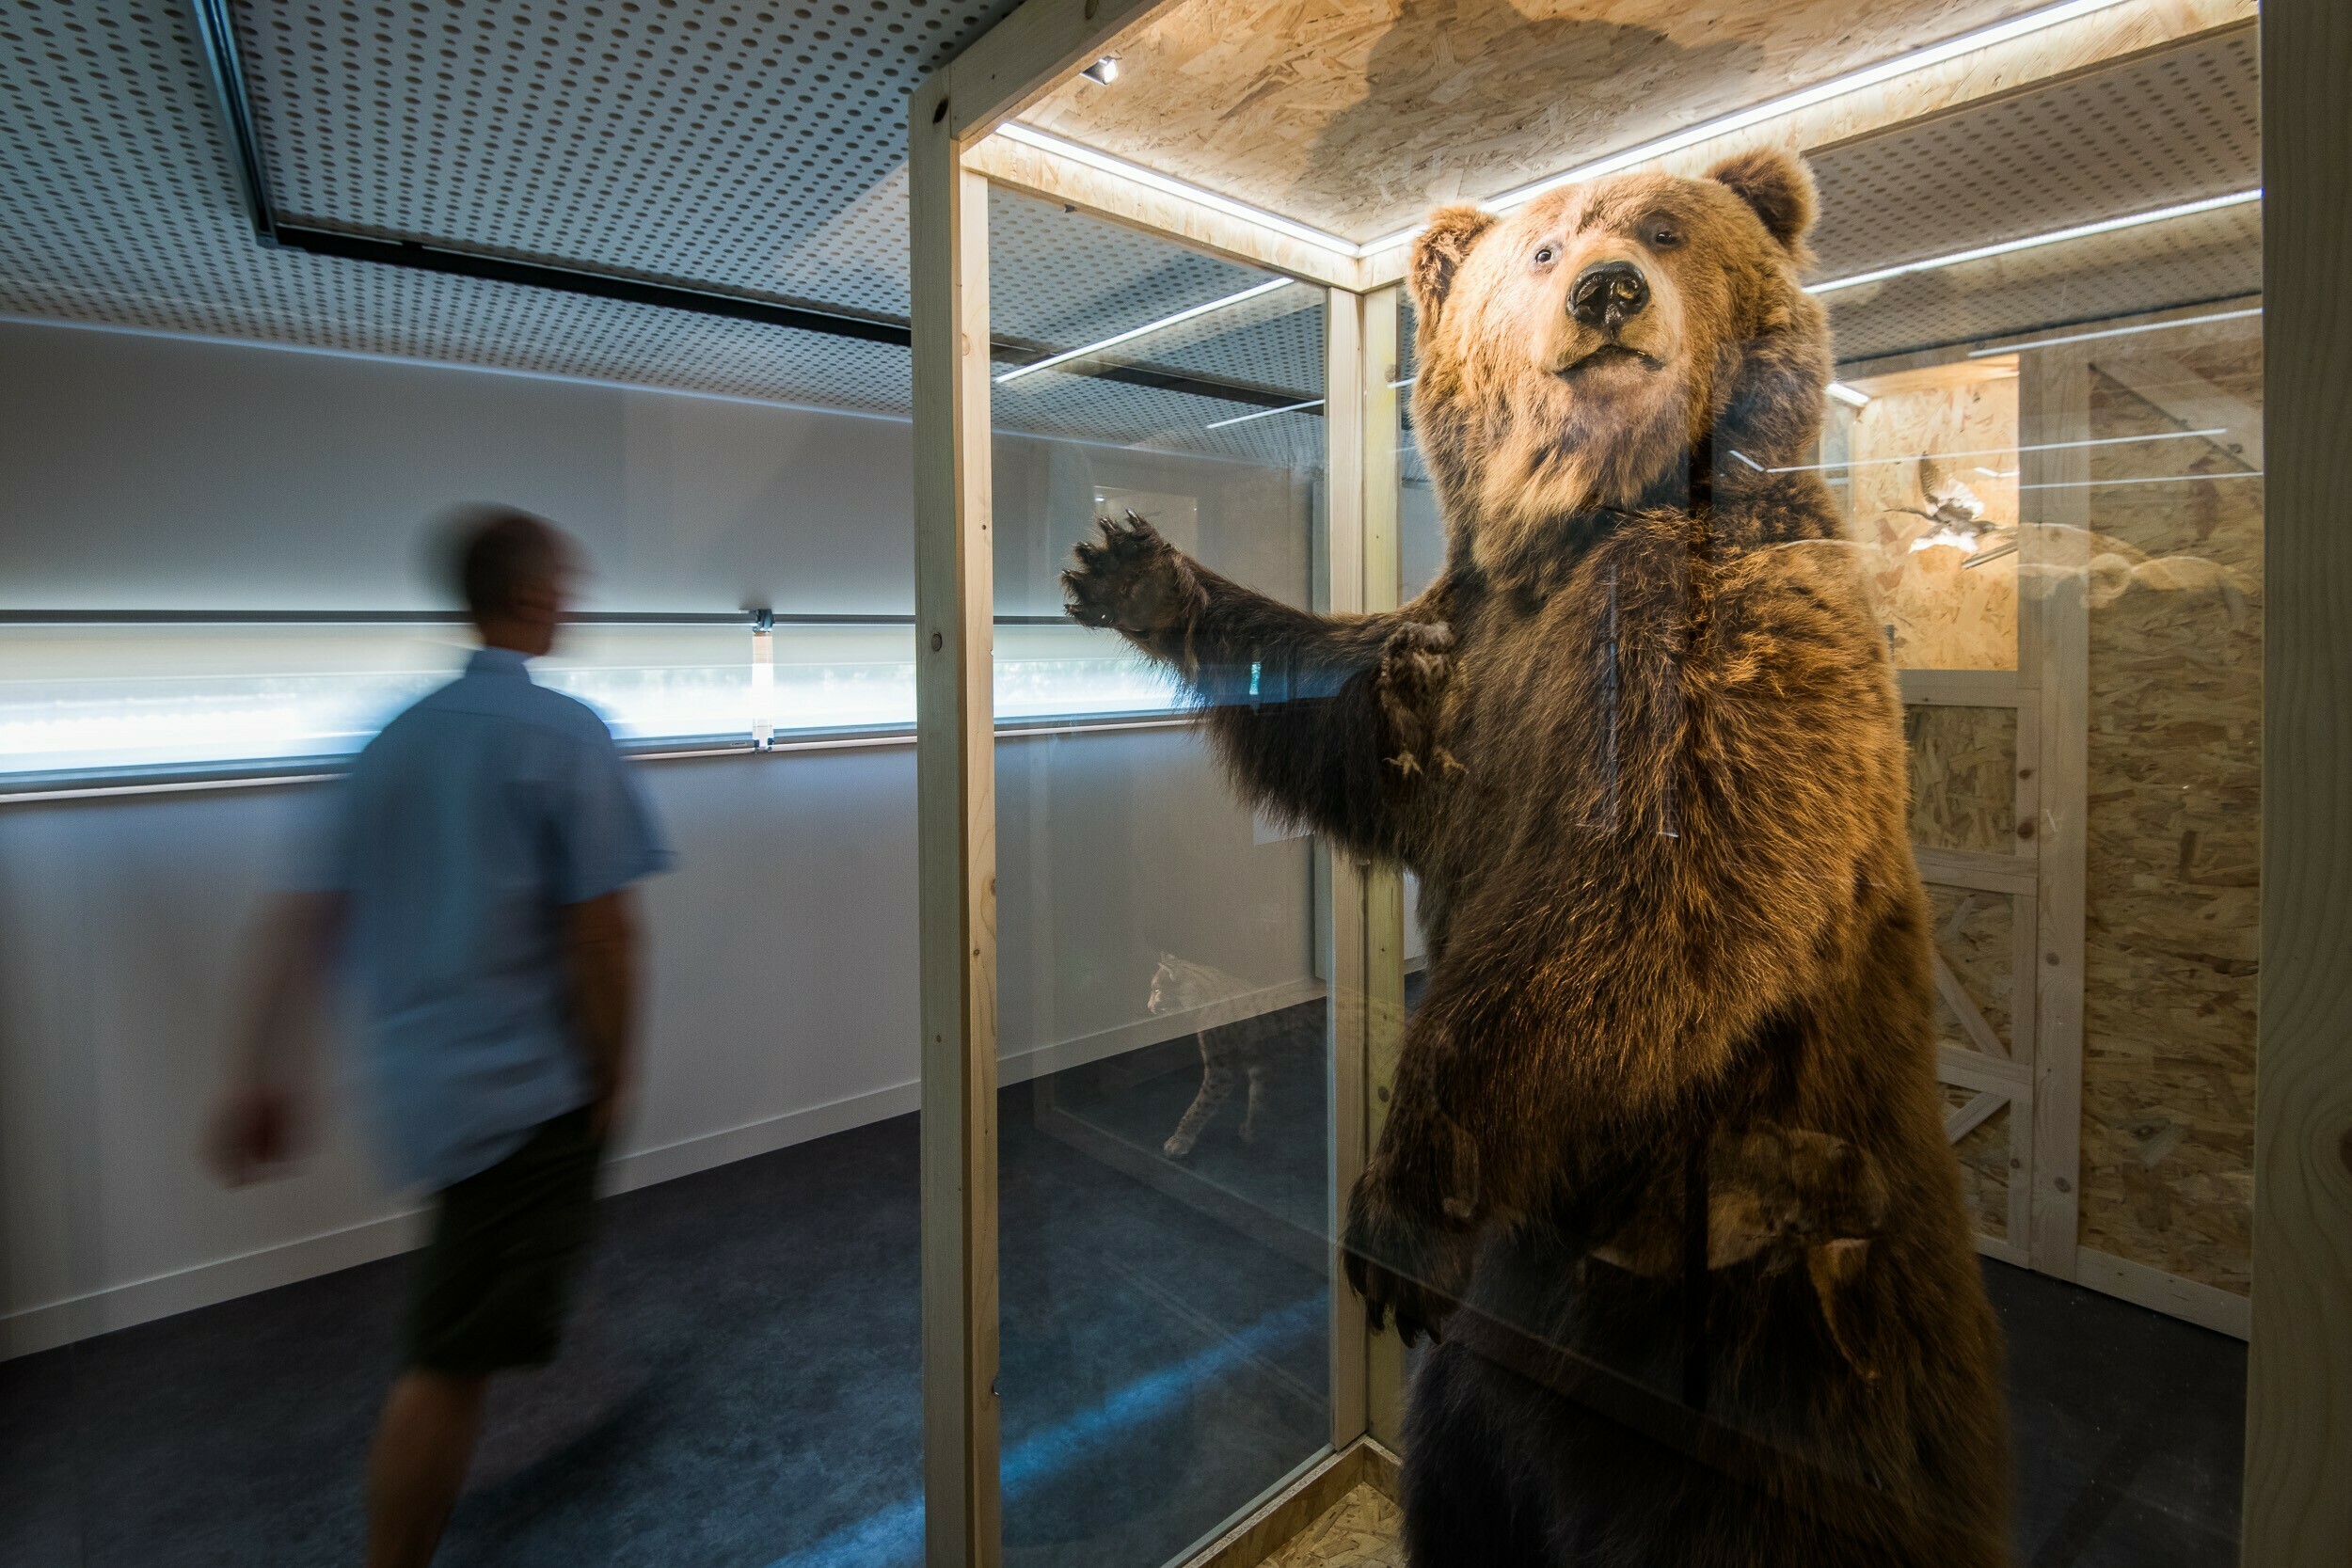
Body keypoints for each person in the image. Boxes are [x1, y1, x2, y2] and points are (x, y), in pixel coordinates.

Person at [209, 506, 670, 1568]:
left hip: (426, 1089)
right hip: (525, 1092)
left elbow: (303, 917)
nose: (571, 601)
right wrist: (615, 1071)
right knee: (446, 1359)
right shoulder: (563, 733)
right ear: (531, 597)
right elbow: (604, 937)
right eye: (563, 584)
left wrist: (258, 1073)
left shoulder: (392, 741)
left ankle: (568, 1370)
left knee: (499, 1277)